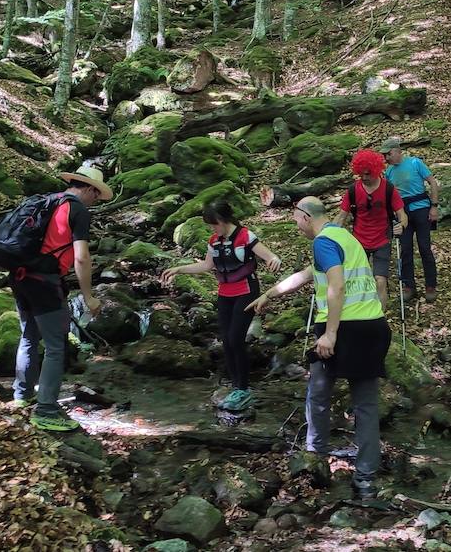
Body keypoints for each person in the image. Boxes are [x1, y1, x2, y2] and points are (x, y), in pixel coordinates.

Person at [247, 196, 392, 500]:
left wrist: (330, 334)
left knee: (319, 393)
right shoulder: (343, 236)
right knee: (365, 404)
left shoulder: (323, 242)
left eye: (295, 220)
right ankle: (365, 478)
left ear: (304, 216)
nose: (296, 226)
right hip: (372, 326)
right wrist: (270, 294)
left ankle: (315, 457)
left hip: (346, 329)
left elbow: (336, 285)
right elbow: (307, 276)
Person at [11, 165, 110, 432]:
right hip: (44, 281)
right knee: (56, 346)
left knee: (29, 336)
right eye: (96, 196)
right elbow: (81, 257)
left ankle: (22, 396)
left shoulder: (46, 201)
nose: (95, 201)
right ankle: (46, 410)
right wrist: (88, 296)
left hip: (20, 277)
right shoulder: (77, 209)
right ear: (89, 188)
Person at [159, 200, 283, 412]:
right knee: (226, 341)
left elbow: (269, 255)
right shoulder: (214, 241)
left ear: (223, 220)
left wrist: (274, 260)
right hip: (225, 294)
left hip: (246, 292)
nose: (212, 229)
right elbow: (207, 265)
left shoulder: (245, 237)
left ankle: (243, 389)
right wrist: (179, 269)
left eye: (213, 224)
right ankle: (236, 385)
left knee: (236, 338)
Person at [339, 150, 407, 304]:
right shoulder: (352, 191)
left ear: (376, 170)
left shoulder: (388, 189)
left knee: (380, 281)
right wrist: (330, 232)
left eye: (368, 174)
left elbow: (402, 214)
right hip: (358, 241)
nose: (364, 178)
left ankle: (380, 318)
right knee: (355, 280)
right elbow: (342, 216)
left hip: (382, 240)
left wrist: (401, 225)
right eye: (361, 174)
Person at [379, 138, 440, 304]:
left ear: (398, 152)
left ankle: (430, 286)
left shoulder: (415, 163)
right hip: (401, 213)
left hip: (421, 209)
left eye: (388, 154)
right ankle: (409, 286)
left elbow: (432, 182)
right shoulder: (389, 171)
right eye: (384, 155)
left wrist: (434, 206)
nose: (386, 158)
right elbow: (389, 194)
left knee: (425, 247)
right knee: (405, 249)